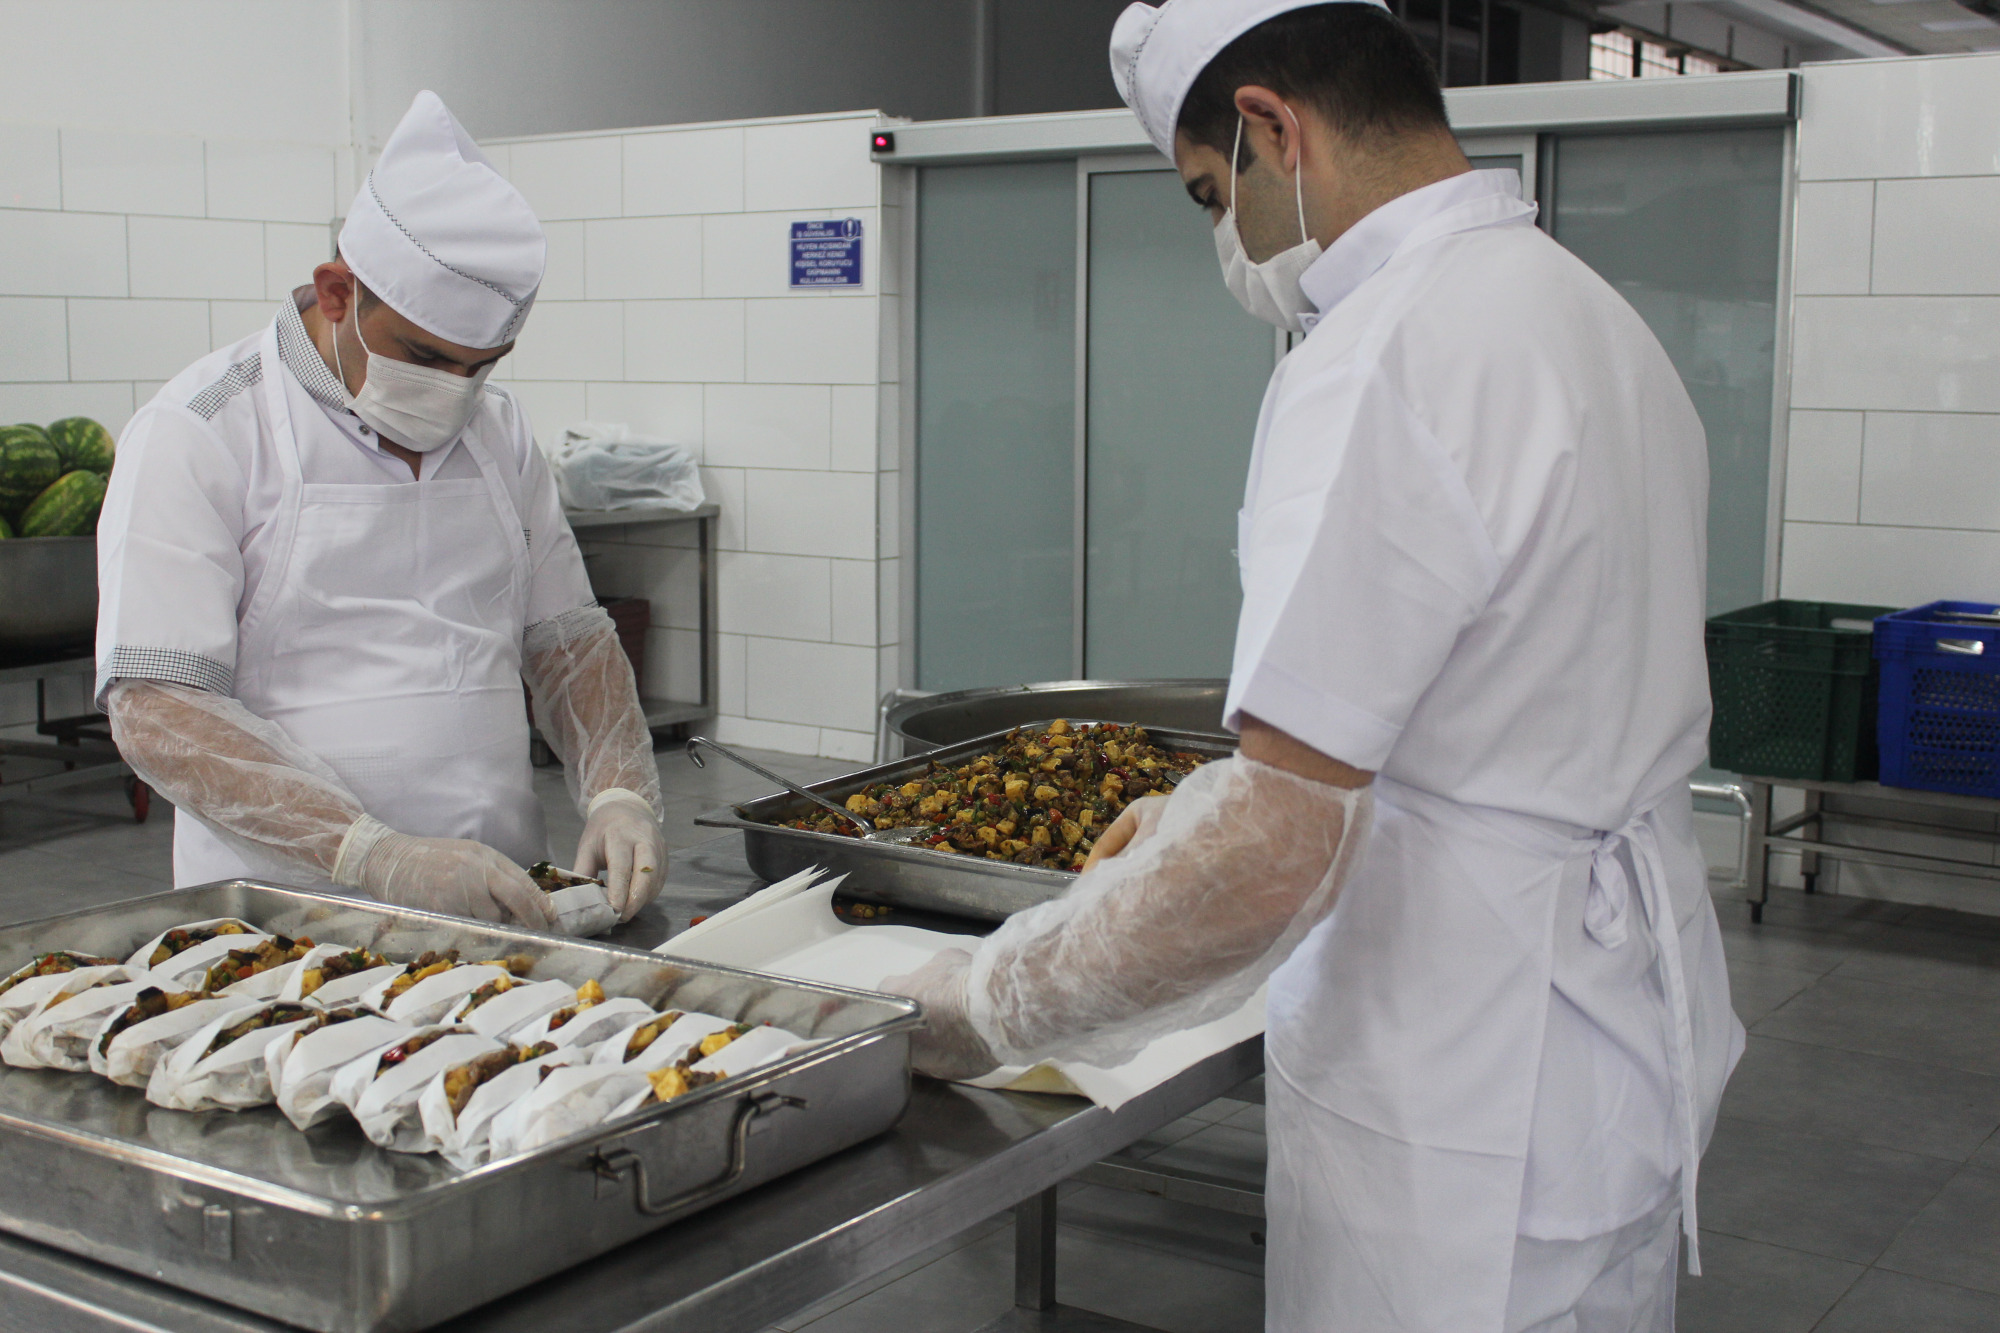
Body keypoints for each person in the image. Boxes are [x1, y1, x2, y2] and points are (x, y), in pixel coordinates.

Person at [885, 3, 1744, 1329]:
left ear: (1271, 127)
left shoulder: (1382, 356)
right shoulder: (1585, 314)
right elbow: (1493, 698)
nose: (1225, 239)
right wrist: (1199, 808)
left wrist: (984, 1005)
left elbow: (1281, 846)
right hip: (1618, 1040)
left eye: (1209, 193)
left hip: (1465, 1071)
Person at [95, 91, 666, 930]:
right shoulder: (203, 431)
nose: (454, 392)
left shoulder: (498, 431)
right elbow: (160, 711)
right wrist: (373, 852)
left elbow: (569, 642)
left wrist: (618, 792)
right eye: (425, 355)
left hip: (507, 905)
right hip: (288, 919)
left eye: (482, 365)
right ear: (336, 292)